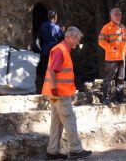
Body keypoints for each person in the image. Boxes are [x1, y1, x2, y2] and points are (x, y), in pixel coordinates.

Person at [41, 27, 92, 160]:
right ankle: (76, 149)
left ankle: (52, 151)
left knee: (57, 122)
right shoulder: (60, 50)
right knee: (69, 120)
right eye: (78, 39)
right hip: (59, 93)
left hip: (57, 92)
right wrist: (54, 89)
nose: (78, 42)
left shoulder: (62, 50)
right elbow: (53, 71)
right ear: (71, 37)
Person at [98, 8, 126, 105]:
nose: (118, 16)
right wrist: (110, 48)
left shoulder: (124, 28)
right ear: (111, 16)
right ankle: (106, 98)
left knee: (121, 78)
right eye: (116, 14)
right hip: (111, 58)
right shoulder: (106, 27)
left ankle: (119, 97)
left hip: (122, 57)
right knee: (108, 78)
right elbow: (101, 41)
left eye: (119, 14)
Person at [36, 11, 65, 93]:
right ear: (55, 17)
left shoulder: (43, 25)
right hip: (54, 52)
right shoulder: (57, 28)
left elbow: (39, 37)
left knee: (46, 71)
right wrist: (62, 31)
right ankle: (53, 90)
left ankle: (45, 89)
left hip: (44, 51)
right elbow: (62, 39)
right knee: (54, 71)